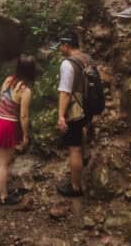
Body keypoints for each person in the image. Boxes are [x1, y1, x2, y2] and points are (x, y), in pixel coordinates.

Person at [0, 56, 34, 205]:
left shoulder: (8, 80)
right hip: (8, 125)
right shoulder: (25, 90)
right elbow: (24, 116)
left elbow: (0, 97)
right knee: (4, 163)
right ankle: (3, 196)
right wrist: (25, 135)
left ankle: (0, 188)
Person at [56, 33, 93, 198]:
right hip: (87, 107)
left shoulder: (67, 64)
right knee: (82, 133)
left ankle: (76, 187)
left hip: (76, 110)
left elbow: (65, 92)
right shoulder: (87, 59)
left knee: (74, 148)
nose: (60, 48)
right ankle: (85, 157)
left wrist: (61, 115)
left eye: (61, 45)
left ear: (66, 45)